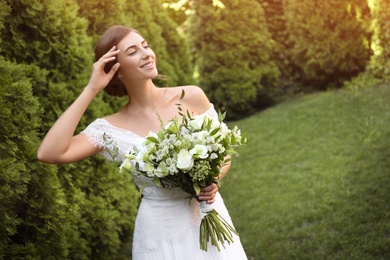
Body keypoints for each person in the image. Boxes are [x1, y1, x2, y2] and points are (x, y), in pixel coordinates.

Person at [37, 25, 247, 259]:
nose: (146, 53)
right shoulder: (109, 129)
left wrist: (213, 180)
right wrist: (91, 89)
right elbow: (50, 153)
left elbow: (223, 149)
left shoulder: (191, 96)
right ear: (117, 70)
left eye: (145, 46)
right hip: (159, 232)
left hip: (208, 213)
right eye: (133, 51)